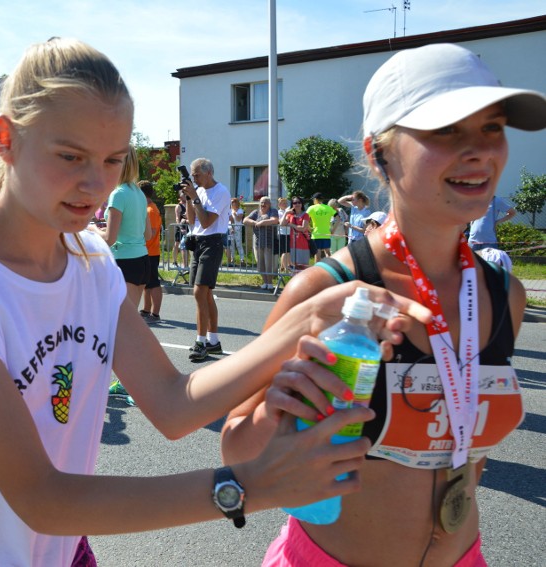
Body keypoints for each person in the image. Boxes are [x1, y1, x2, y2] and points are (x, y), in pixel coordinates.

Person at [0, 37, 431, 567]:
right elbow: (40, 496)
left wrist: (304, 324)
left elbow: (172, 403)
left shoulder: (91, 264)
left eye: (114, 160)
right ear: (6, 139)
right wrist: (248, 487)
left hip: (62, 553)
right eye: (70, 156)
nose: (94, 184)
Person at [221, 42, 546, 567]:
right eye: (446, 130)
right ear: (379, 153)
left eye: (492, 127)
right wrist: (278, 410)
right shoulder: (328, 291)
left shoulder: (502, 292)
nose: (481, 150)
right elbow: (236, 451)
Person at [178, 158, 230, 361]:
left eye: (196, 174)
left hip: (213, 241)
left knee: (199, 291)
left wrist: (195, 198)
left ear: (208, 172)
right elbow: (192, 220)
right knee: (205, 294)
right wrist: (189, 199)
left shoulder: (221, 192)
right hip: (198, 242)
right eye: (191, 175)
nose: (193, 178)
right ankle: (213, 341)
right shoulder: (198, 191)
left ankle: (200, 342)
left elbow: (207, 222)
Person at [91, 145, 150, 307]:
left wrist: (92, 230)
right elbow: (147, 234)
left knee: (120, 324)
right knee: (130, 322)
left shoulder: (118, 194)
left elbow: (109, 239)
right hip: (142, 260)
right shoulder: (138, 192)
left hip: (125, 261)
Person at [138, 180, 163, 322]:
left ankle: (155, 314)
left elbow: (151, 233)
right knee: (147, 283)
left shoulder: (150, 210)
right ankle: (146, 309)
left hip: (151, 252)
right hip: (147, 251)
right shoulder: (147, 208)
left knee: (153, 283)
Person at [244, 196, 279, 291]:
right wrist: (255, 222)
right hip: (258, 242)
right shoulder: (256, 212)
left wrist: (262, 222)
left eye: (265, 202)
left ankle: (270, 283)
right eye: (262, 202)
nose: (263, 204)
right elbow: (245, 220)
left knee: (268, 264)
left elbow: (274, 220)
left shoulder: (273, 211)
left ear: (269, 204)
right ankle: (265, 282)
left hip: (269, 242)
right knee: (260, 264)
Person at [280, 195, 311, 270]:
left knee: (303, 267)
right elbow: (282, 224)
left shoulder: (305, 215)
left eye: (299, 202)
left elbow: (303, 228)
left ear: (302, 204)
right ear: (292, 204)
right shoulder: (290, 215)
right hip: (293, 244)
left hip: (303, 244)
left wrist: (291, 225)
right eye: (294, 203)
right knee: (294, 266)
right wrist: (286, 213)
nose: (297, 204)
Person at [306, 192, 337, 262]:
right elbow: (338, 218)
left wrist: (309, 228)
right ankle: (330, 269)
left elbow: (305, 219)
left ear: (316, 199)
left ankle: (317, 270)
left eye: (313, 200)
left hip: (316, 234)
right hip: (326, 233)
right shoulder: (328, 208)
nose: (313, 201)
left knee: (317, 253)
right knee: (328, 252)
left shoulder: (311, 208)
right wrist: (333, 230)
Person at [226, 197, 246, 267]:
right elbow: (228, 220)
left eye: (233, 202)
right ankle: (232, 259)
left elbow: (238, 218)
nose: (231, 204)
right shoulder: (229, 210)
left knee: (238, 244)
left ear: (236, 203)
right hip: (231, 229)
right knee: (231, 245)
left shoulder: (240, 210)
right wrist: (230, 228)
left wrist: (234, 213)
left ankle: (242, 259)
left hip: (237, 229)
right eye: (231, 202)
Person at [173, 192, 189, 269]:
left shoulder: (188, 204)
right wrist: (180, 228)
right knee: (177, 243)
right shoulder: (178, 206)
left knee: (187, 244)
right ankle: (175, 261)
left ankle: (186, 263)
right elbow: (177, 218)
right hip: (180, 227)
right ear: (180, 196)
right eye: (183, 194)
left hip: (187, 226)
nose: (185, 195)